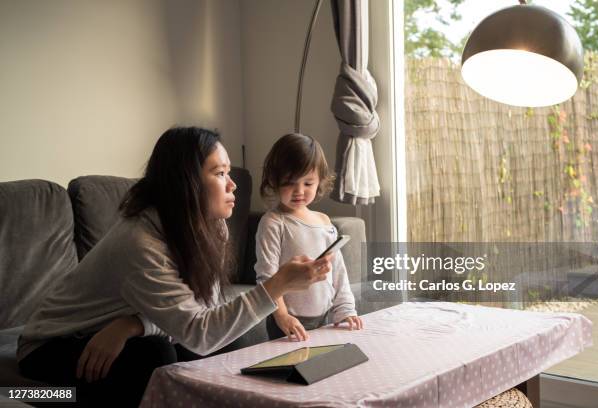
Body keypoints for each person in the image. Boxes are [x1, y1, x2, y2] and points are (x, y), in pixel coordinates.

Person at [16, 127, 333, 407]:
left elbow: (203, 309)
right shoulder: (140, 243)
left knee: (230, 341)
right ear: (188, 182)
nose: (233, 184)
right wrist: (277, 284)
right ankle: (23, 395)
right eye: (220, 173)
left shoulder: (211, 225)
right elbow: (200, 332)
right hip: (52, 343)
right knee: (154, 357)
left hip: (118, 327)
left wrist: (134, 324)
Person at [255, 133, 363, 342]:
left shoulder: (323, 221)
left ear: (319, 182)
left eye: (308, 183)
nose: (299, 191)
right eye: (289, 182)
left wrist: (346, 309)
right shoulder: (274, 222)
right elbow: (267, 277)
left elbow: (338, 271)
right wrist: (282, 316)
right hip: (288, 321)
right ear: (274, 181)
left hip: (324, 316)